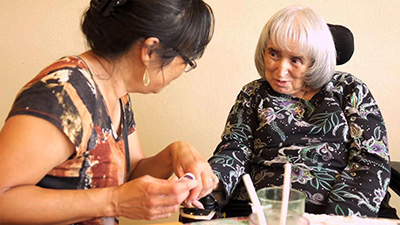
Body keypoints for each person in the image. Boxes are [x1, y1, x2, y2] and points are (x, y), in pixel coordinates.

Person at [0, 0, 217, 224]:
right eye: (187, 60)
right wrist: (114, 201)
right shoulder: (65, 93)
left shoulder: (117, 92)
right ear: (150, 51)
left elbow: (128, 177)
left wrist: (174, 153)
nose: (183, 70)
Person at [208, 5, 393, 218]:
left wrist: (336, 220)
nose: (281, 69)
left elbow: (370, 160)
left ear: (315, 61)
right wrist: (211, 181)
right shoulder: (253, 93)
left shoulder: (349, 89)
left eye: (295, 60)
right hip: (260, 212)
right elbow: (234, 148)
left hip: (334, 214)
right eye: (274, 54)